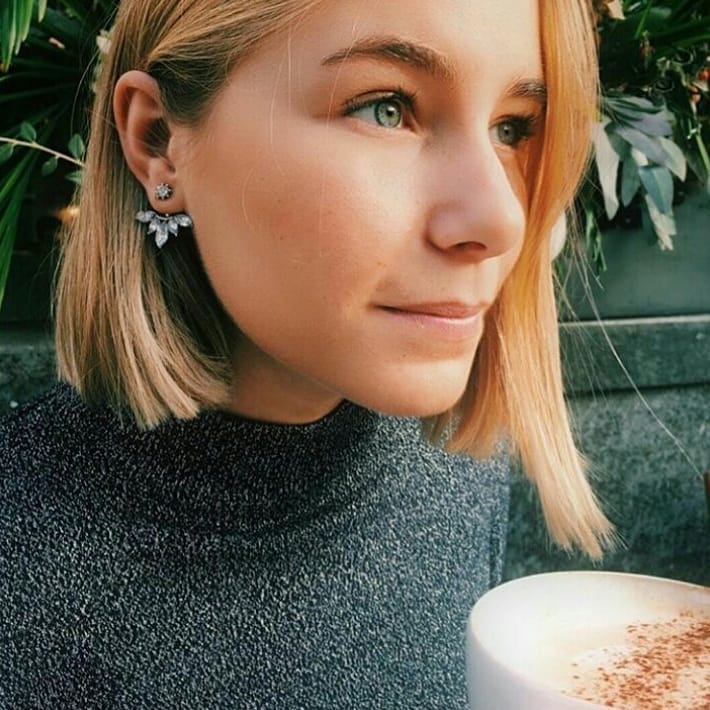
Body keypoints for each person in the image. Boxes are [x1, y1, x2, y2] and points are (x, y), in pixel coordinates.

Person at [0, 0, 613, 707]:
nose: (500, 217)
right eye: (386, 109)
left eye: (513, 128)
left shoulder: (461, 478)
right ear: (159, 141)